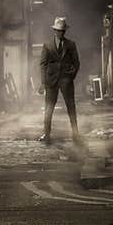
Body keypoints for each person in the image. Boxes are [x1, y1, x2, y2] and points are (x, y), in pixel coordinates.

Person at [38, 17, 82, 145]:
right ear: (54, 30)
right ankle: (46, 134)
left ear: (65, 31)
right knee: (49, 108)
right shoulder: (47, 45)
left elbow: (76, 63)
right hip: (51, 81)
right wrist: (43, 82)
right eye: (58, 30)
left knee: (71, 107)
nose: (60, 33)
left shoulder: (71, 44)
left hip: (66, 81)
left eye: (62, 31)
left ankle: (75, 134)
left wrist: (70, 76)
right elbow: (43, 65)